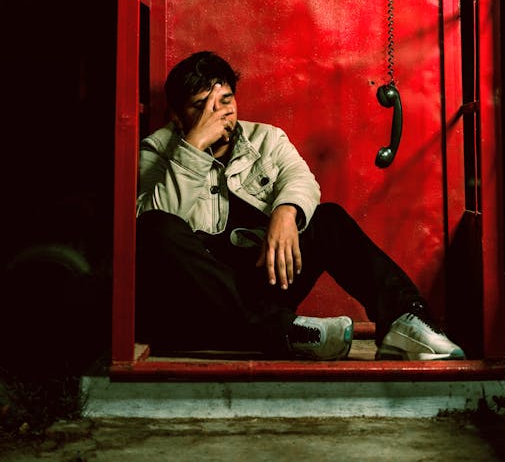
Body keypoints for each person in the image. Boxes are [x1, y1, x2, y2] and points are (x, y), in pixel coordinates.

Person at [136, 51, 465, 362]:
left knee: (328, 219)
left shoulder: (266, 139)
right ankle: (286, 331)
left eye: (226, 101)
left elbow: (302, 181)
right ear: (178, 117)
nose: (219, 115)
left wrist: (286, 213)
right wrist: (193, 146)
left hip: (261, 286)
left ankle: (407, 325)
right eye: (201, 107)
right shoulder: (156, 151)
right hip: (196, 304)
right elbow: (154, 227)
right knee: (155, 228)